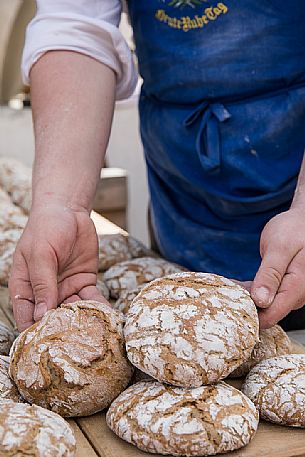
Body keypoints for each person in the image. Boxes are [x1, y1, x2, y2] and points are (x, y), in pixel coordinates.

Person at [9, 0, 305, 332]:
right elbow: (77, 29)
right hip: (184, 191)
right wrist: (61, 205)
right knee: (179, 340)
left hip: (293, 163)